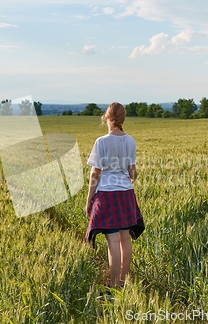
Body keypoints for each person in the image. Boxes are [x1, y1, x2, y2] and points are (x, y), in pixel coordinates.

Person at [85, 102, 144, 288]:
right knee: (125, 239)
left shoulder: (101, 142)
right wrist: (128, 177)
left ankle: (113, 285)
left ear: (107, 117)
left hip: (107, 195)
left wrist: (89, 200)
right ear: (122, 118)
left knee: (113, 242)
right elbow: (133, 172)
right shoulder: (130, 140)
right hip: (126, 193)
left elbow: (95, 173)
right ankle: (122, 282)